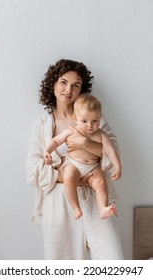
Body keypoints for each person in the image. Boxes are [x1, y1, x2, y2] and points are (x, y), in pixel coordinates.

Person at [26, 58, 124, 260]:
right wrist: (70, 175)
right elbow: (33, 171)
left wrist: (84, 144)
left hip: (97, 199)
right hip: (59, 202)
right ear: (52, 84)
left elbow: (113, 154)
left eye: (75, 85)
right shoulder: (42, 125)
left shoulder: (94, 119)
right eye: (63, 82)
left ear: (82, 89)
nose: (68, 89)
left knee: (114, 263)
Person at [43, 94, 122, 220]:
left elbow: (110, 151)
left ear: (100, 118)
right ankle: (75, 207)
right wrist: (46, 151)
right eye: (84, 121)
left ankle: (103, 208)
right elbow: (56, 141)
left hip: (92, 166)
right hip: (73, 163)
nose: (90, 125)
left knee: (101, 182)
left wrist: (118, 168)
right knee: (69, 177)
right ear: (75, 118)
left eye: (94, 121)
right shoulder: (71, 131)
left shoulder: (102, 135)